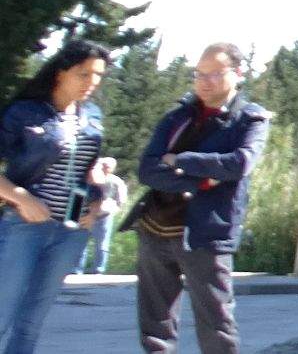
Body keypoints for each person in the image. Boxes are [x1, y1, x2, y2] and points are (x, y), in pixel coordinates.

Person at [128, 43, 269, 354]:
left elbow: (239, 164)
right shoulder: (177, 116)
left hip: (206, 232)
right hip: (155, 228)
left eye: (215, 74)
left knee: (216, 321)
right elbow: (148, 170)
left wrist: (179, 160)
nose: (205, 82)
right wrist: (205, 178)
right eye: (199, 74)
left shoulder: (250, 119)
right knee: (155, 325)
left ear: (238, 73)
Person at [0, 39, 110, 354]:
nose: (92, 82)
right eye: (84, 73)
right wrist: (21, 197)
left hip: (70, 231)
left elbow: (82, 172)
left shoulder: (92, 115)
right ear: (61, 72)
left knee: (32, 323)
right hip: (23, 226)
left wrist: (94, 204)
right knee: (2, 314)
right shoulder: (25, 112)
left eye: (99, 76)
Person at [75, 155, 125, 275]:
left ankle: (99, 270)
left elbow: (121, 199)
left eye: (108, 166)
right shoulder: (88, 179)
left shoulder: (116, 181)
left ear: (113, 168)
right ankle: (77, 270)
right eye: (103, 165)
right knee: (80, 243)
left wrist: (114, 210)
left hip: (104, 216)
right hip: (84, 214)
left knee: (102, 244)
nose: (105, 168)